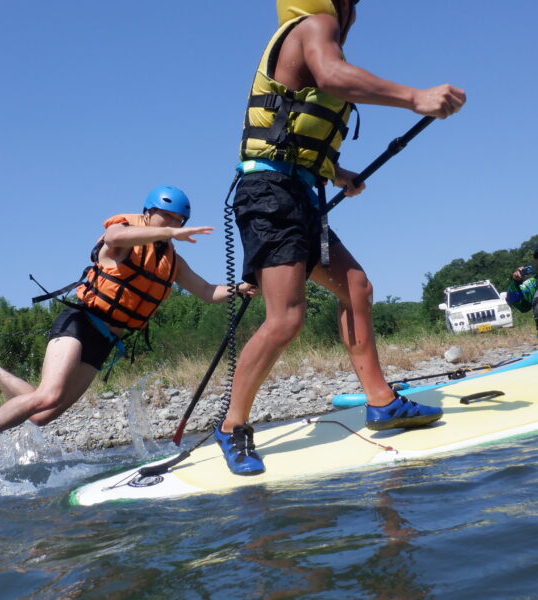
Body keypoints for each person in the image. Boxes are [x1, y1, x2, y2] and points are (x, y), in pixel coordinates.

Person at [216, 0, 467, 475]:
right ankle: (232, 427)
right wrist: (415, 97)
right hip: (269, 194)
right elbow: (331, 78)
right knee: (285, 318)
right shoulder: (316, 24)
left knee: (356, 289)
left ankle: (382, 402)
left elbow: (294, 129)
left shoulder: (313, 32)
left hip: (296, 189)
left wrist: (337, 171)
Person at [0, 186, 257, 481]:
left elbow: (206, 291)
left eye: (178, 219)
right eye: (167, 217)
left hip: (105, 340)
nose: (173, 223)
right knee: (48, 394)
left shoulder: (172, 262)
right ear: (147, 213)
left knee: (41, 414)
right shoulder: (121, 239)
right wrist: (170, 231)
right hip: (80, 322)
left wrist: (241, 288)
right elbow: (114, 234)